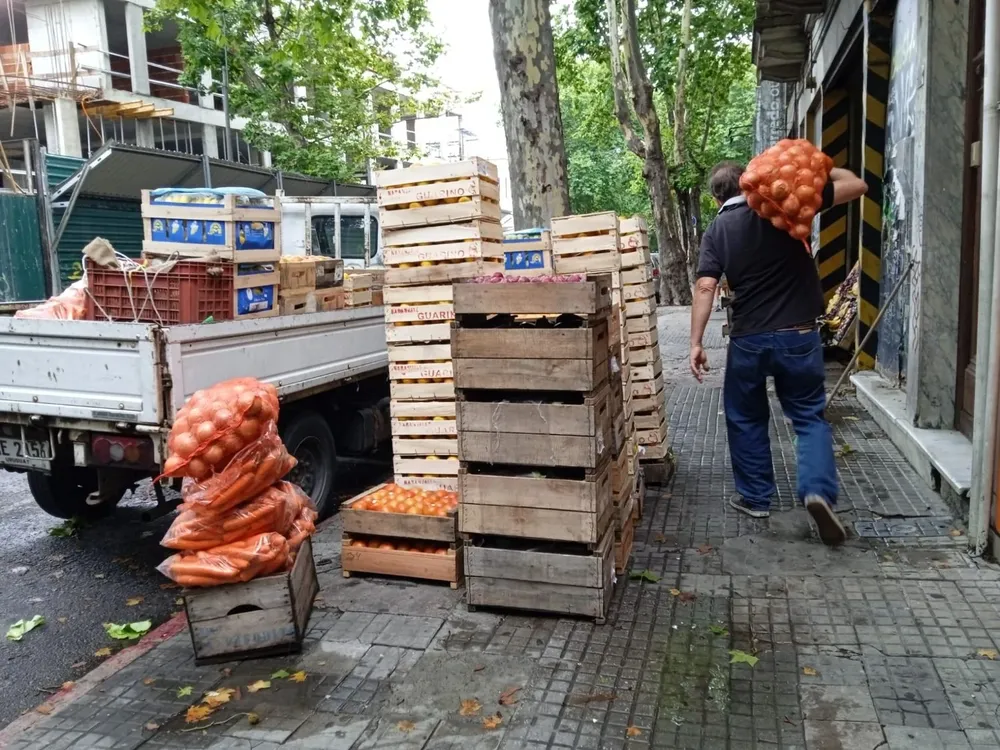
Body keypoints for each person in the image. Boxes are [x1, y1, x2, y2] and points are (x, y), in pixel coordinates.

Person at [689, 160, 868, 546]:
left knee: (745, 416)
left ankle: (755, 499)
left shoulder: (718, 230)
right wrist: (816, 165)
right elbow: (857, 185)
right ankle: (817, 492)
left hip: (749, 338)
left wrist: (696, 343)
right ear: (749, 182)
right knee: (809, 417)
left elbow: (705, 287)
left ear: (716, 198)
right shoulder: (785, 205)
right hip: (799, 335)